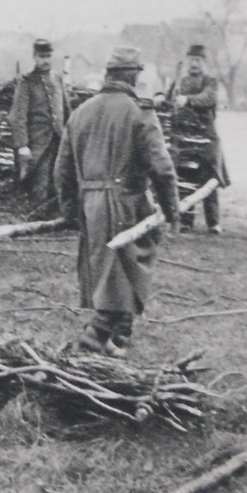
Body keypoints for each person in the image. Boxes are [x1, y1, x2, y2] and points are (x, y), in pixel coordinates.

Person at [55, 45, 180, 357]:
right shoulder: (139, 113)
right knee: (120, 278)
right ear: (132, 76)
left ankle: (118, 343)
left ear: (109, 75)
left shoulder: (80, 113)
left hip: (90, 204)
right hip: (126, 204)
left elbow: (62, 170)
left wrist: (72, 211)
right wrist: (171, 210)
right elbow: (162, 169)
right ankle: (89, 345)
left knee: (115, 275)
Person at [167, 44, 229, 233]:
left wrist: (188, 100)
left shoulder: (210, 82)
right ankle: (186, 220)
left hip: (206, 137)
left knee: (209, 178)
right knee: (185, 177)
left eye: (198, 60)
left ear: (204, 63)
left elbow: (208, 98)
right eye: (191, 60)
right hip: (184, 137)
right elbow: (169, 98)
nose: (194, 64)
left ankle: (214, 223)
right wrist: (162, 97)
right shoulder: (180, 81)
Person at [8, 38, 69, 219]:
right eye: (42, 56)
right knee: (38, 184)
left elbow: (66, 110)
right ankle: (32, 221)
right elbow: (17, 116)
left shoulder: (57, 79)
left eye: (49, 56)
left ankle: (55, 220)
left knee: (58, 181)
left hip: (58, 140)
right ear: (34, 57)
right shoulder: (27, 82)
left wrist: (70, 137)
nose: (46, 61)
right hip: (36, 143)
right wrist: (22, 145)